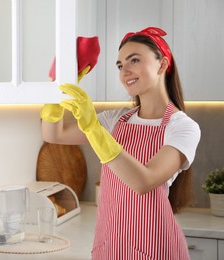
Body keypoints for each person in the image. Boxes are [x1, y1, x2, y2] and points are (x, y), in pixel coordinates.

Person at [41, 27, 201, 259]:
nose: (124, 71)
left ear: (162, 64)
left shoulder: (183, 128)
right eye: (119, 65)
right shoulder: (115, 120)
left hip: (156, 247)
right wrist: (57, 90)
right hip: (112, 244)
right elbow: (54, 134)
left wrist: (93, 128)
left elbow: (143, 181)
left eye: (134, 60)